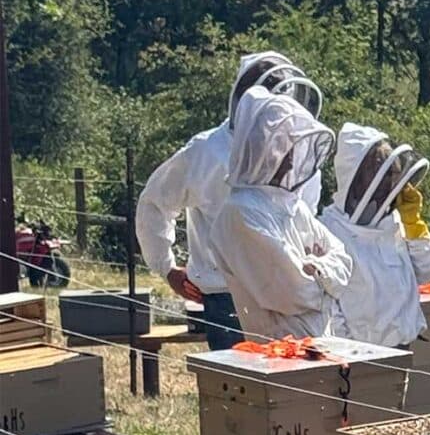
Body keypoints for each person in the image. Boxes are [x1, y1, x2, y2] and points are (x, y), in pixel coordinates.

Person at [136, 51, 326, 349]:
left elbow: (307, 225)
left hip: (286, 292)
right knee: (237, 390)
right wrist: (166, 267)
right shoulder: (205, 151)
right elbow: (155, 203)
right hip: (225, 295)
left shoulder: (299, 152)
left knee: (291, 388)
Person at [211, 87, 351, 341]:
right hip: (276, 354)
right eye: (282, 146)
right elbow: (295, 293)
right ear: (260, 148)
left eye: (292, 146)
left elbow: (344, 260)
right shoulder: (240, 212)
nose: (291, 158)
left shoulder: (292, 205)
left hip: (321, 346)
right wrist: (326, 282)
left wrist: (316, 268)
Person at [322, 124, 430, 347]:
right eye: (378, 171)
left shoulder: (394, 222)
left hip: (404, 350)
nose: (386, 181)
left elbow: (428, 271)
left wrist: (413, 223)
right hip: (361, 361)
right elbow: (329, 308)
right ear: (355, 175)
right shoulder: (328, 231)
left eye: (391, 173)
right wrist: (352, 357)